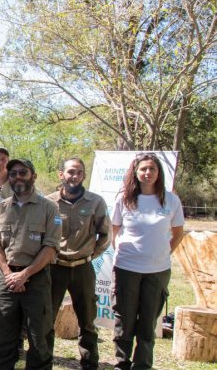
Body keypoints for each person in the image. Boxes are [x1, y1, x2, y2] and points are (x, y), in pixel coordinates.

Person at [110, 153, 184, 370]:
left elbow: (178, 233)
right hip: (127, 269)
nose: (148, 173)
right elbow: (114, 230)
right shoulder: (124, 199)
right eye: (143, 169)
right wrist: (123, 254)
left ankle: (143, 365)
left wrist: (162, 253)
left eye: (152, 168)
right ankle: (121, 363)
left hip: (158, 271)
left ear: (158, 172)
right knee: (125, 319)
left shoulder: (170, 199)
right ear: (136, 172)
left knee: (148, 321)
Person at [0, 158, 59, 369]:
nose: (17, 176)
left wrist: (25, 275)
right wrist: (10, 274)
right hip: (6, 279)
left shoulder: (49, 208)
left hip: (36, 279)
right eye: (13, 174)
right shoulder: (0, 208)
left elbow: (51, 247)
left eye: (23, 172)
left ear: (33, 176)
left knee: (40, 336)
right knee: (4, 335)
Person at [44, 158, 110, 370]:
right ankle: (44, 363)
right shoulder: (48, 203)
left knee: (87, 321)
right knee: (47, 319)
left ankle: (89, 363)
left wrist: (90, 255)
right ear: (61, 175)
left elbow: (106, 234)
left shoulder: (96, 202)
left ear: (83, 176)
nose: (75, 176)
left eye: (79, 172)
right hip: (55, 268)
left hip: (83, 268)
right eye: (71, 171)